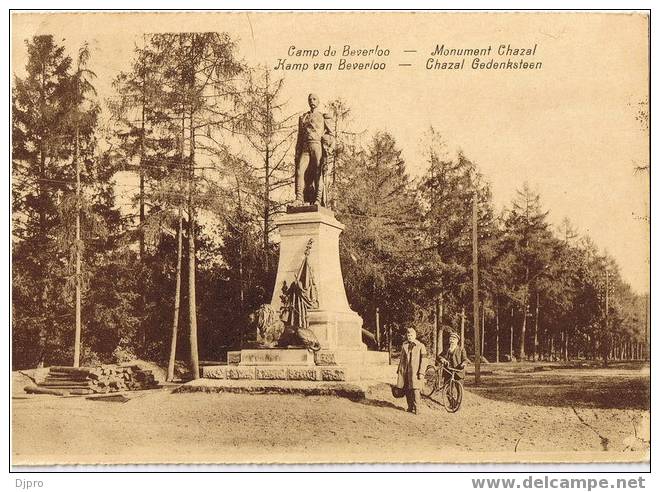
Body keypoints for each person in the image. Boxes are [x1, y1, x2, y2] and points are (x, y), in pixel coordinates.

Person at [294, 93, 334, 206]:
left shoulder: (323, 116)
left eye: (314, 99)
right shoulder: (303, 117)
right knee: (299, 171)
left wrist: (330, 147)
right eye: (310, 99)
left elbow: (332, 135)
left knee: (318, 173)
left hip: (317, 146)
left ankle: (318, 199)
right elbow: (300, 137)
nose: (312, 101)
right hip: (305, 147)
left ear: (318, 101)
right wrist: (297, 152)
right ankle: (299, 198)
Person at [396, 328, 427, 414]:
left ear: (415, 336)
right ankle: (410, 407)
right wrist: (399, 370)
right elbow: (402, 358)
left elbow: (424, 360)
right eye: (408, 335)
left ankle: (417, 409)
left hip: (415, 372)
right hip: (405, 371)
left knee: (415, 390)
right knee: (407, 389)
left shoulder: (421, 346)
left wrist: (421, 372)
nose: (409, 337)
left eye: (411, 335)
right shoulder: (404, 345)